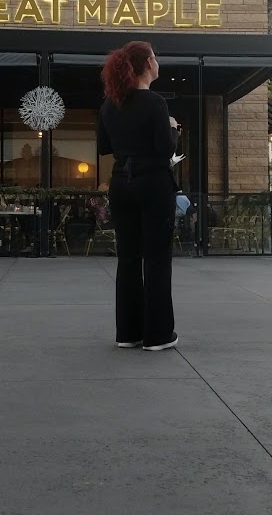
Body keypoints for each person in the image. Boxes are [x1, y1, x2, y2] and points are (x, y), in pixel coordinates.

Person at [97, 40, 180, 352]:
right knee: (157, 260)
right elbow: (165, 149)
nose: (157, 63)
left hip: (121, 183)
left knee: (128, 259)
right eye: (155, 58)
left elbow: (105, 146)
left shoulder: (109, 104)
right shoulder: (156, 103)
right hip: (153, 184)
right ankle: (158, 335)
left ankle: (128, 333)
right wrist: (172, 128)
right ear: (147, 64)